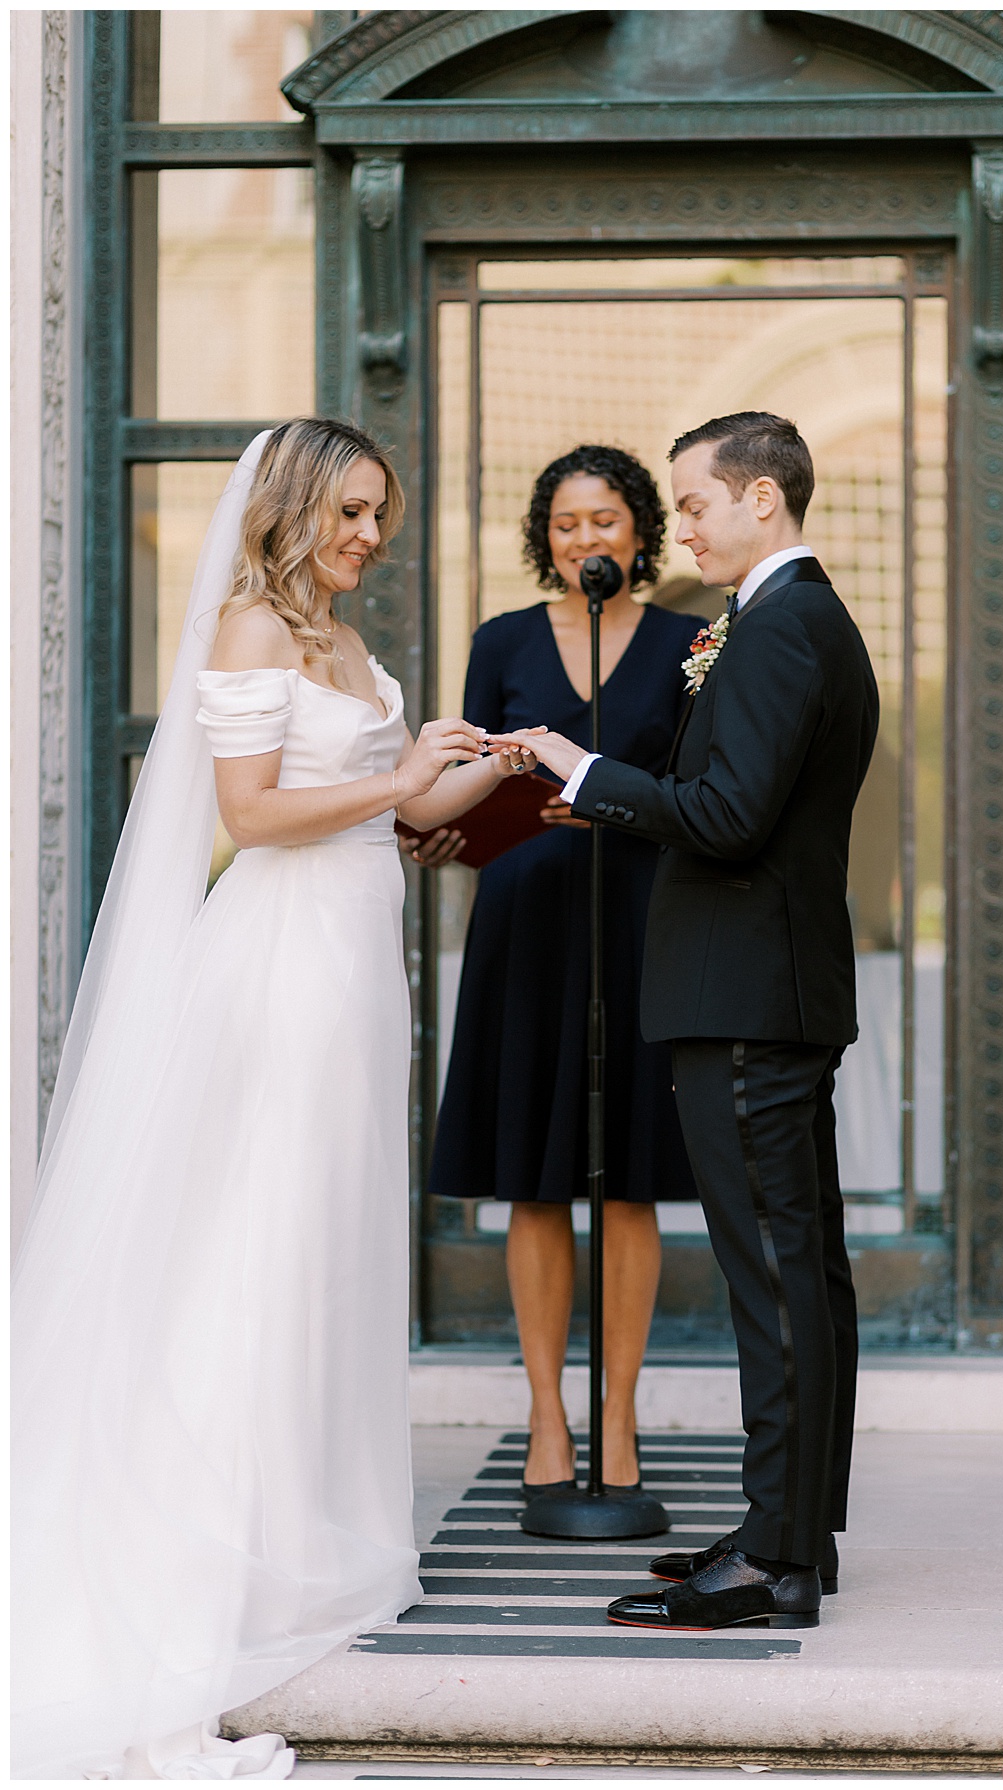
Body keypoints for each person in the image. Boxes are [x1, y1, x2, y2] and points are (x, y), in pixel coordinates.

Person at [11, 417, 537, 1779]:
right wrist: (393, 777)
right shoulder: (250, 631)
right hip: (280, 969)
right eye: (353, 511)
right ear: (293, 505)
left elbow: (378, 816)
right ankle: (218, 1546)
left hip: (355, 966)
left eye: (382, 516)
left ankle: (302, 1526)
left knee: (317, 1251)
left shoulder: (354, 651)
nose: (370, 536)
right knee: (254, 1246)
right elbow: (249, 815)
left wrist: (480, 785)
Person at [495, 412, 879, 1630]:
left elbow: (726, 815)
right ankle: (790, 1530)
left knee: (774, 1275)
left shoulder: (779, 630)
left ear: (762, 498)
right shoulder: (783, 622)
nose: (687, 524)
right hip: (764, 989)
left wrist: (582, 766)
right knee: (798, 1269)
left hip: (750, 998)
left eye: (698, 502)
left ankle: (776, 1557)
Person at [424, 446, 702, 1493]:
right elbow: (462, 777)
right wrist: (449, 823)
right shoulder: (501, 641)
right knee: (535, 1183)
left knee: (628, 1179)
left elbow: (703, 792)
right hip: (526, 921)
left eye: (606, 519)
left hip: (639, 920)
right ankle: (548, 1419)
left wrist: (613, 799)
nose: (587, 539)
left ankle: (618, 1420)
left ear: (641, 529)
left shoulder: (691, 642)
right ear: (547, 538)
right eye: (567, 523)